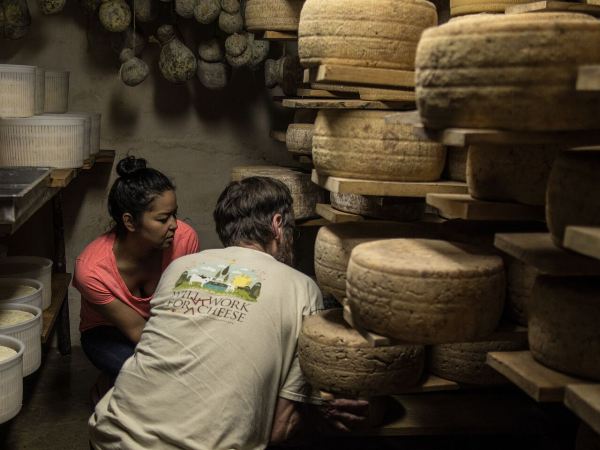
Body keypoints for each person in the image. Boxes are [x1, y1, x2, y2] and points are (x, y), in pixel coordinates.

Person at [89, 176, 368, 449]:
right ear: (277, 224)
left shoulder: (179, 268)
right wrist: (320, 413)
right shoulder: (302, 288)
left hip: (110, 434)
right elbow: (279, 431)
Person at [73, 156, 199, 381]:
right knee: (154, 377)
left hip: (165, 324)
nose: (174, 225)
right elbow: (136, 330)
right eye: (162, 219)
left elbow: (185, 308)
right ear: (130, 222)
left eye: (174, 214)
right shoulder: (92, 270)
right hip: (110, 333)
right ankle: (108, 387)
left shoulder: (184, 239)